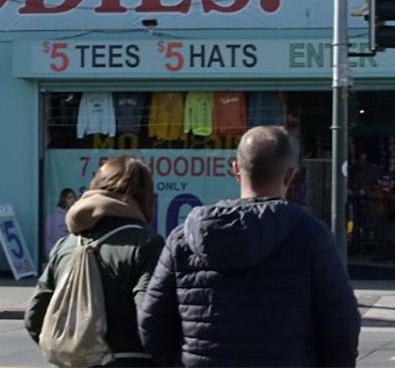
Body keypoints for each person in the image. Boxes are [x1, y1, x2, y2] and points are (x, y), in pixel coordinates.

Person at [138, 126, 360, 367]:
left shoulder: (183, 239)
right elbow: (341, 328)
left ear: (235, 169)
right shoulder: (312, 236)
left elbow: (152, 323)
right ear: (290, 176)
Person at [26, 158, 163, 367]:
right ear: (143, 198)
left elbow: (34, 318)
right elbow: (150, 317)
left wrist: (75, 351)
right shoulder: (146, 244)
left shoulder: (65, 245)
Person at [44, 188, 78, 254]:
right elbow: (48, 236)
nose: (72, 200)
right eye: (69, 198)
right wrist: (52, 253)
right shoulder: (55, 215)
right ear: (63, 199)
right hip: (57, 250)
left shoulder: (75, 215)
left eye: (74, 197)